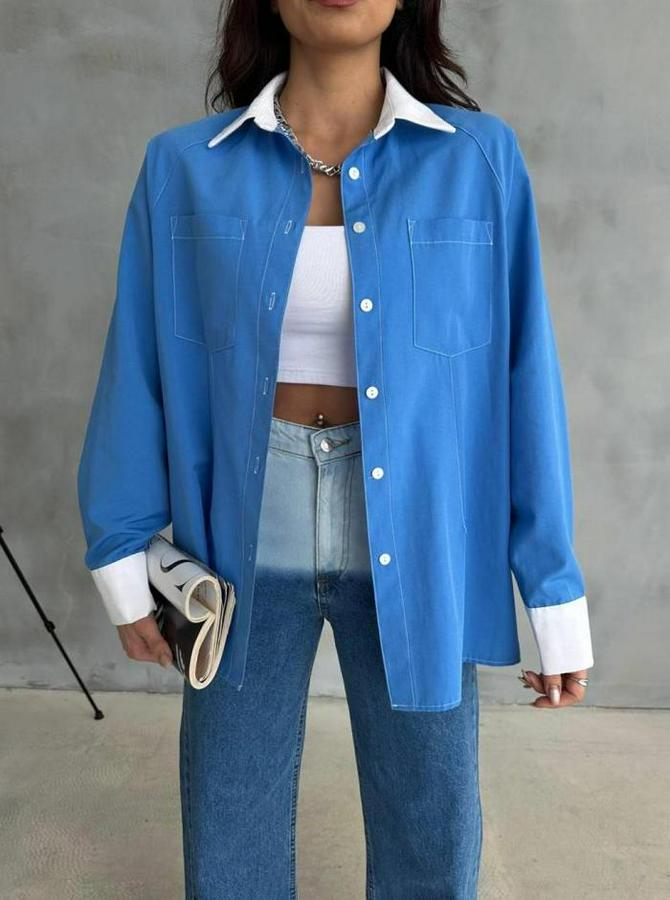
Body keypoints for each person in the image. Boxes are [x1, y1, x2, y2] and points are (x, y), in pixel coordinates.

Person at [76, 0, 595, 897]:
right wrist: (122, 556)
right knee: (228, 826)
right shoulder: (183, 167)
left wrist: (551, 592)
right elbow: (139, 368)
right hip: (239, 548)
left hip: (415, 540)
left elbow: (523, 381)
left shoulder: (478, 161)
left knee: (431, 826)